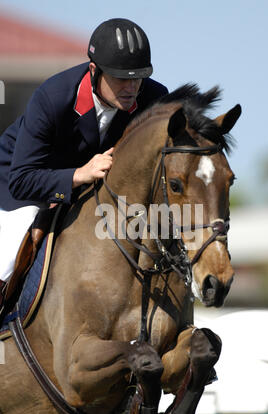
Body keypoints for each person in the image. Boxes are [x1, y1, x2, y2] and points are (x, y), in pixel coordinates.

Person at [0, 18, 168, 309]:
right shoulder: (53, 98)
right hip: (17, 186)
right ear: (94, 71)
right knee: (8, 258)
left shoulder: (154, 99)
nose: (132, 87)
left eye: (138, 77)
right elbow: (22, 180)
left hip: (85, 191)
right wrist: (78, 174)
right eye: (121, 78)